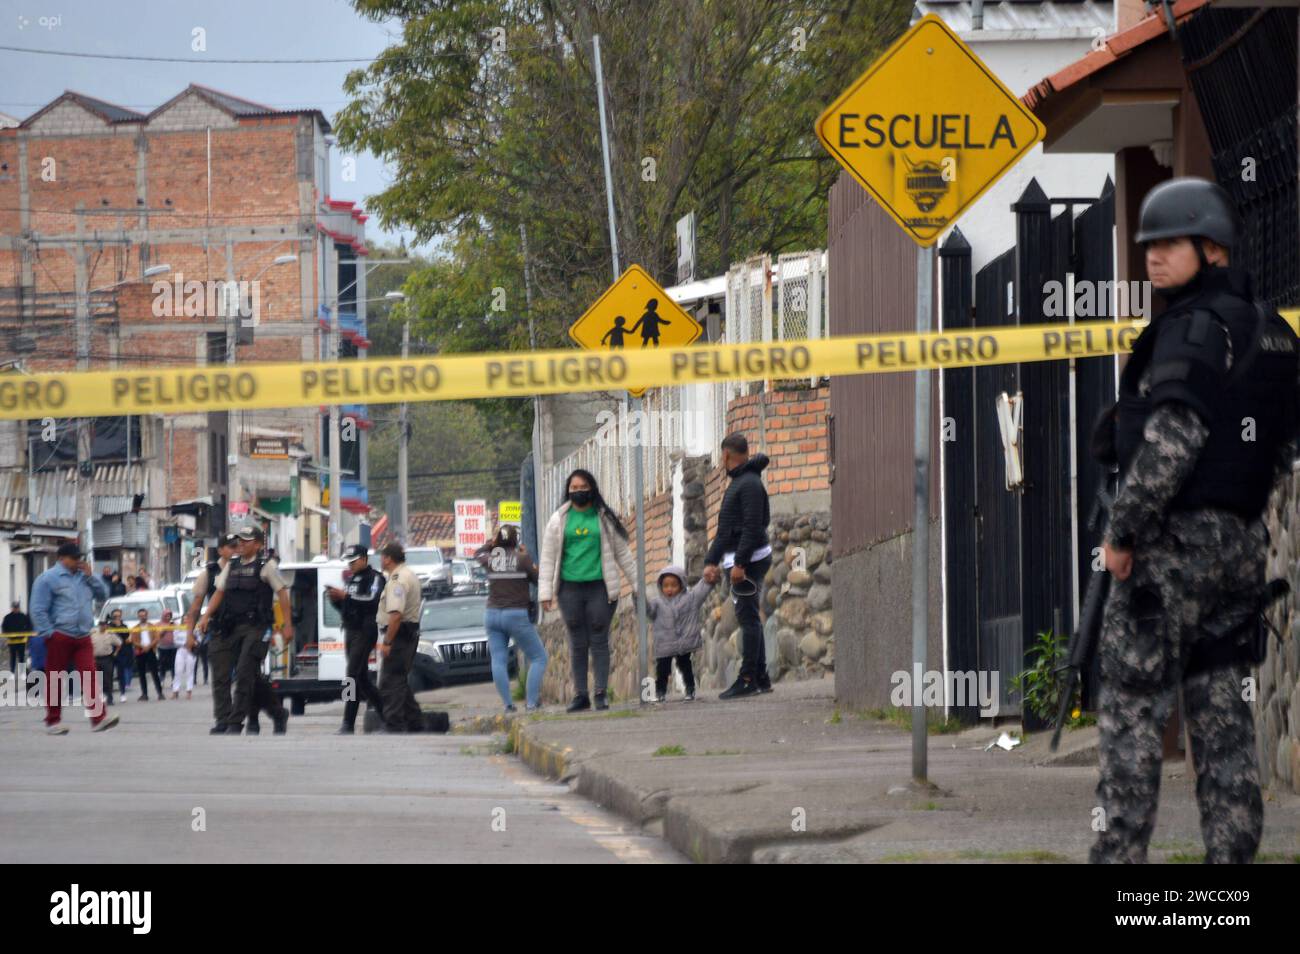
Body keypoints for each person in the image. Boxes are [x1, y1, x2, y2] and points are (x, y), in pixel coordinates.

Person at [1089, 177, 1300, 864]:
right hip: (1238, 554)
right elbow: (1282, 445)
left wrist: (1122, 534)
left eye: (1168, 244)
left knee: (1131, 716)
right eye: (1148, 245)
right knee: (1223, 726)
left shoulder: (1189, 329)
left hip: (1168, 557)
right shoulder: (1271, 332)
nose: (1152, 257)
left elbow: (1174, 441)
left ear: (1211, 248)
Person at [537, 469, 644, 712]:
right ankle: (580, 695)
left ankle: (600, 693)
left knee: (599, 638)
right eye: (573, 488)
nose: (578, 492)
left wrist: (638, 584)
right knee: (577, 641)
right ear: (568, 491)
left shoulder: (604, 518)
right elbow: (547, 558)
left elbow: (623, 554)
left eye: (582, 487)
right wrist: (545, 594)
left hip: (600, 587)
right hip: (569, 589)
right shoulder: (558, 520)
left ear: (592, 488)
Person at [196, 526, 291, 735]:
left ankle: (236, 722)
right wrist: (205, 616)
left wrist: (287, 626)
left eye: (247, 540)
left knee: (243, 673)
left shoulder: (266, 566)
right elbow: (219, 592)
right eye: (240, 540)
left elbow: (282, 593)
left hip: (256, 627)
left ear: (257, 544)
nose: (241, 544)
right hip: (232, 627)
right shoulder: (232, 565)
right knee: (238, 676)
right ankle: (276, 712)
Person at [703, 433, 773, 699]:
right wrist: (711, 560)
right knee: (750, 616)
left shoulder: (749, 484)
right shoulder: (742, 482)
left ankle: (748, 678)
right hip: (743, 559)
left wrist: (741, 563)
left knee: (747, 617)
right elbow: (725, 532)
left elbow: (753, 527)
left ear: (725, 456)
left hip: (750, 561)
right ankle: (761, 677)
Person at [29, 541, 117, 734]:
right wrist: (49, 634)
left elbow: (104, 595)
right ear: (61, 559)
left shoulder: (84, 578)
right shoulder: (48, 579)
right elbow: (37, 609)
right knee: (56, 678)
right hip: (60, 634)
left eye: (80, 558)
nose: (78, 561)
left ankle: (98, 719)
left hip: (83, 635)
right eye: (74, 558)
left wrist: (92, 576)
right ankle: (53, 721)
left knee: (90, 676)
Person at [475, 525, 547, 712]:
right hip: (515, 615)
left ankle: (508, 705)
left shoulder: (490, 559)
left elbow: (477, 553)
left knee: (498, 660)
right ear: (516, 540)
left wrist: (490, 545)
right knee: (539, 657)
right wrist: (527, 555)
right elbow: (538, 579)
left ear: (498, 540)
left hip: (492, 614)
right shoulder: (522, 559)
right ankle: (531, 703)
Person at [326, 543, 386, 734]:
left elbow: (372, 600)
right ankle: (387, 714)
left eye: (353, 561)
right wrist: (336, 600)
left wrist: (345, 597)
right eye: (348, 562)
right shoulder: (351, 579)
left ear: (364, 559)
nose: (350, 565)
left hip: (365, 631)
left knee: (351, 675)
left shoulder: (375, 578)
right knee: (361, 679)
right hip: (350, 631)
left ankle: (347, 722)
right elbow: (347, 606)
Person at [186, 534, 237, 727]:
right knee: (221, 678)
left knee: (250, 677)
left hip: (244, 629)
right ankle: (224, 719)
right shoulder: (208, 573)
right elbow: (195, 608)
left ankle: (251, 714)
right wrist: (189, 635)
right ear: (221, 550)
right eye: (230, 547)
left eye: (236, 547)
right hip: (219, 631)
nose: (234, 550)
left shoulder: (244, 569)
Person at [375, 542, 426, 732]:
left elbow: (395, 614)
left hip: (400, 635)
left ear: (388, 558)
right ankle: (415, 722)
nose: (381, 560)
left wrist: (387, 642)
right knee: (400, 681)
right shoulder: (407, 574)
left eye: (382, 557)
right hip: (407, 633)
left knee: (390, 680)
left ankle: (393, 723)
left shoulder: (398, 579)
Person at [648, 565, 715, 702]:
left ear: (681, 584)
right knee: (662, 670)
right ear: (661, 586)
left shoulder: (689, 598)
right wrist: (639, 600)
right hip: (664, 643)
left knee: (685, 666)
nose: (669, 589)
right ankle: (660, 691)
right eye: (666, 586)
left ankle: (690, 689)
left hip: (683, 644)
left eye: (673, 585)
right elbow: (647, 611)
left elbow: (700, 591)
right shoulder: (657, 602)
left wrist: (708, 580)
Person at [131, 607, 164, 701]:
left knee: (154, 673)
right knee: (142, 674)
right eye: (140, 616)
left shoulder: (152, 627)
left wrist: (149, 646)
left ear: (147, 615)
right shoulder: (135, 628)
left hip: (151, 651)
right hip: (140, 651)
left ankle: (160, 693)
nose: (142, 617)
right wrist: (141, 646)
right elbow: (133, 640)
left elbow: (157, 638)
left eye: (144, 615)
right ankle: (144, 694)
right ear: (138, 616)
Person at [166, 608, 197, 700]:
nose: (186, 620)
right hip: (181, 650)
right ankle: (175, 691)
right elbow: (175, 640)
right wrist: (184, 643)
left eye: (188, 619)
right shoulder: (178, 629)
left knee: (189, 671)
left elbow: (199, 639)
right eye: (184, 619)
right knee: (178, 671)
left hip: (191, 651)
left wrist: (193, 644)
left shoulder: (194, 628)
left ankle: (189, 691)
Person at [91, 618, 122, 706]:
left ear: (107, 625)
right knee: (97, 679)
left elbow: (119, 643)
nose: (102, 626)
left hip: (107, 658)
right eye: (101, 625)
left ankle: (110, 698)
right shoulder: (93, 634)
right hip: (95, 658)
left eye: (104, 625)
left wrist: (115, 653)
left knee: (108, 679)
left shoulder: (110, 634)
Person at [3, 600, 32, 673]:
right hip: (11, 641)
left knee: (21, 657)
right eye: (14, 607)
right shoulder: (7, 617)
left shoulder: (23, 616)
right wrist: (8, 635)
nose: (15, 609)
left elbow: (29, 626)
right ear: (12, 608)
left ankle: (22, 673)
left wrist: (26, 634)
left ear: (19, 608)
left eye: (17, 607)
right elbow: (4, 627)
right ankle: (12, 672)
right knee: (12, 657)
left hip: (21, 641)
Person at [113, 609, 134, 699]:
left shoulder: (124, 626)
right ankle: (108, 695)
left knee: (121, 673)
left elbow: (126, 638)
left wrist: (119, 626)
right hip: (110, 652)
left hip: (122, 652)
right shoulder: (109, 626)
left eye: (119, 616)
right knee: (108, 674)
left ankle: (122, 693)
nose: (117, 618)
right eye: (115, 616)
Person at [156, 609, 178, 683]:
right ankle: (162, 679)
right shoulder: (158, 624)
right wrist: (167, 627)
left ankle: (174, 679)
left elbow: (178, 633)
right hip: (162, 647)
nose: (168, 617)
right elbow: (159, 634)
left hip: (173, 647)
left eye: (169, 616)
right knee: (162, 664)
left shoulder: (174, 624)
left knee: (173, 664)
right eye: (166, 616)